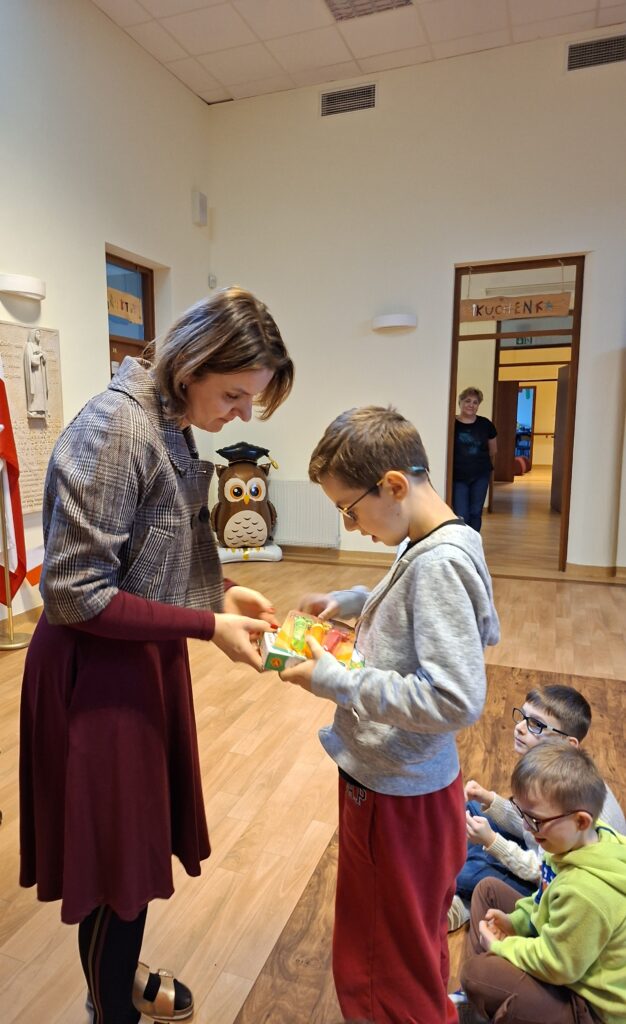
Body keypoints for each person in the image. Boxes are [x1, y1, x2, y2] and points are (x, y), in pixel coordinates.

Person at [19, 287, 294, 1024]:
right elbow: (75, 592)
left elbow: (159, 542)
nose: (239, 413)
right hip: (94, 675)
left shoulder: (167, 420)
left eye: (250, 400)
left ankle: (114, 980)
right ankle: (112, 1008)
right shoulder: (116, 429)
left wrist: (222, 592)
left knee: (127, 856)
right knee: (119, 867)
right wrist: (205, 629)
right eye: (234, 394)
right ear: (192, 364)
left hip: (134, 657)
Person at [280, 405, 500, 1024]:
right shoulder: (445, 537)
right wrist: (355, 600)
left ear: (394, 486)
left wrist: (337, 680)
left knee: (378, 965)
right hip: (415, 787)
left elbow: (456, 697)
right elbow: (426, 611)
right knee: (411, 938)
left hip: (395, 792)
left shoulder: (436, 562)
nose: (349, 526)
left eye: (349, 509)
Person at [459, 742, 626, 1024]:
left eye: (535, 820)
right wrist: (516, 921)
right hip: (566, 961)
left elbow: (558, 966)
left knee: (475, 974)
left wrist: (501, 948)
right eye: (523, 814)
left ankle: (487, 993)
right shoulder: (574, 842)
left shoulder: (585, 893)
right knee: (486, 890)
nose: (525, 827)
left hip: (588, 1004)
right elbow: (543, 897)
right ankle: (487, 998)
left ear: (581, 821)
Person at [448, 684, 626, 933]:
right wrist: (491, 801)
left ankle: (461, 902)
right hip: (543, 849)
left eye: (536, 725)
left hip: (555, 886)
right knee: (473, 809)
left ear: (569, 743)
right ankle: (457, 877)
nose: (520, 727)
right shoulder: (556, 773)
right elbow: (528, 825)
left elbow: (544, 871)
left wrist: (492, 841)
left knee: (471, 867)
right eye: (522, 717)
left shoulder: (570, 794)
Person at [452, 386, 497, 532]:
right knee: (462, 514)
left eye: (475, 402)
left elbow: (493, 450)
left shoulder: (486, 424)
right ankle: (463, 545)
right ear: (460, 403)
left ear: (478, 405)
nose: (471, 405)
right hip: (458, 476)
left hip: (481, 475)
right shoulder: (452, 424)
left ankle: (474, 545)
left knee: (476, 512)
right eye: (467, 401)